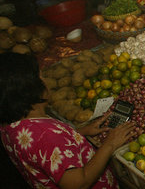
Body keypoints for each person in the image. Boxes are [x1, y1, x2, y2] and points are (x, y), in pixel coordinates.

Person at [0, 52, 136, 189]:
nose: (45, 80)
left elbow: (45, 150)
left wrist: (77, 133)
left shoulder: (11, 126)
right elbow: (79, 183)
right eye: (40, 76)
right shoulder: (46, 136)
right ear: (31, 89)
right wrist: (110, 144)